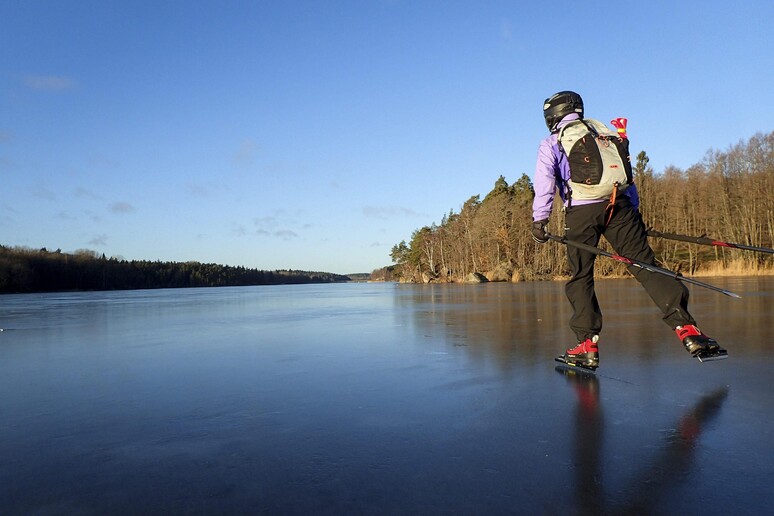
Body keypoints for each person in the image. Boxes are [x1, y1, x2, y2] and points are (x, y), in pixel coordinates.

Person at [530, 90, 724, 370]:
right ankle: (688, 329)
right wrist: (633, 211)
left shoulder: (552, 142)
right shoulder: (604, 132)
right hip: (619, 203)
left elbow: (545, 181)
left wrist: (540, 220)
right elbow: (626, 173)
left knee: (581, 275)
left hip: (582, 210)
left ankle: (586, 345)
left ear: (553, 115)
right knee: (646, 265)